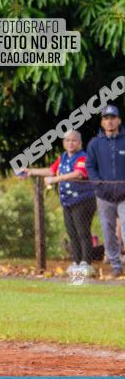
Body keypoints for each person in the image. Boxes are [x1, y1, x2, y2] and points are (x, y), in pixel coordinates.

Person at [18, 130, 96, 277]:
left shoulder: (83, 157)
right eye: (67, 140)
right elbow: (51, 170)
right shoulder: (63, 157)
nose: (70, 143)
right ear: (63, 143)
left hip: (83, 200)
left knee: (82, 232)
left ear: (79, 143)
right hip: (67, 201)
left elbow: (78, 174)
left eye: (74, 140)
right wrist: (31, 171)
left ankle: (87, 263)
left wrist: (56, 180)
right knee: (72, 232)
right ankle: (76, 262)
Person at [85, 105, 125, 278]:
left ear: (119, 120)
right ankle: (116, 266)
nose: (110, 121)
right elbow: (90, 166)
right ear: (102, 122)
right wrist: (98, 185)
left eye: (113, 117)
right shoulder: (95, 144)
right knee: (108, 232)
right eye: (106, 118)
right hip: (104, 196)